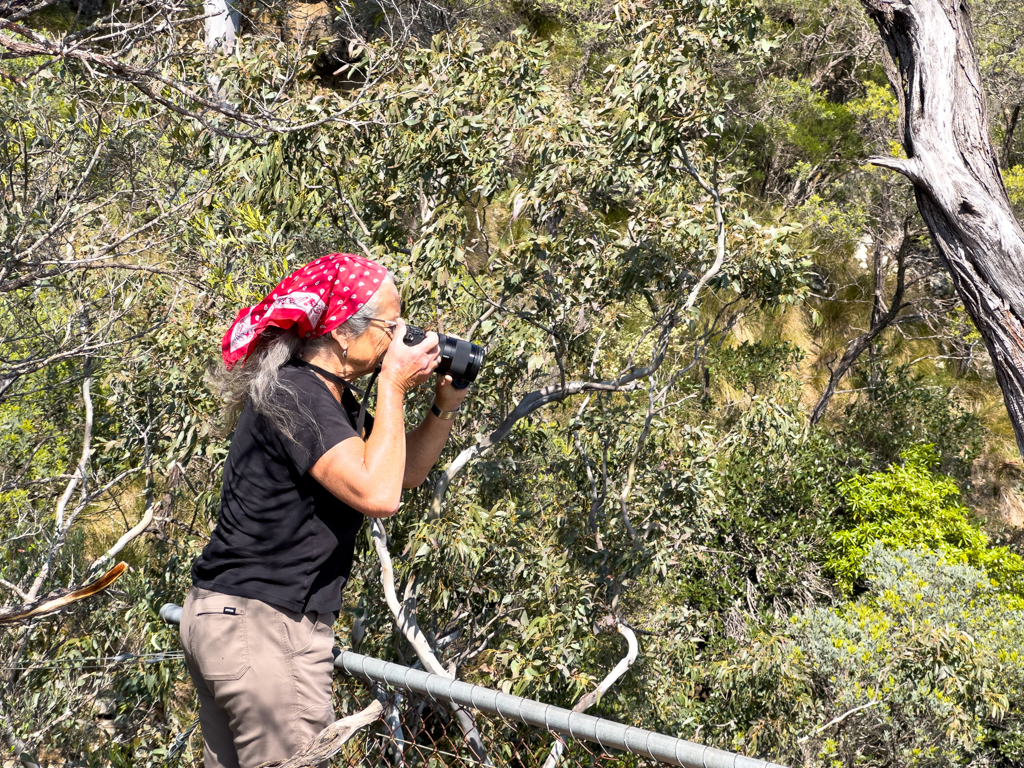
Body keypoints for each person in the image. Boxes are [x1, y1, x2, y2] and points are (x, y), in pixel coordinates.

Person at [179, 253, 469, 768]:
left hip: (229, 619)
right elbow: (380, 498)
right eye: (390, 325)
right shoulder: (299, 395)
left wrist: (443, 406)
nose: (402, 335)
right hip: (266, 628)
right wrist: (394, 385)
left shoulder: (319, 396)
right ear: (340, 332)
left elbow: (397, 474)